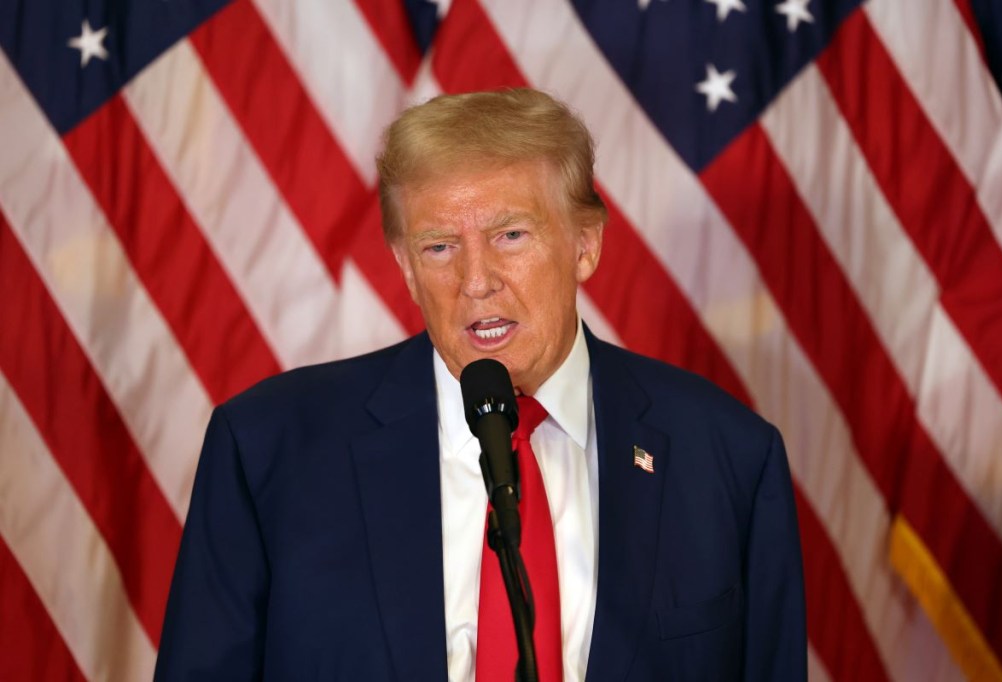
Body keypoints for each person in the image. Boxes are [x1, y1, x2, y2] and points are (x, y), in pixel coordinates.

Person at [155, 88, 806, 680]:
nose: (476, 281)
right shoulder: (270, 451)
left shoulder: (728, 457)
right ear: (406, 269)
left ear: (586, 243)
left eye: (511, 235)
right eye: (439, 247)